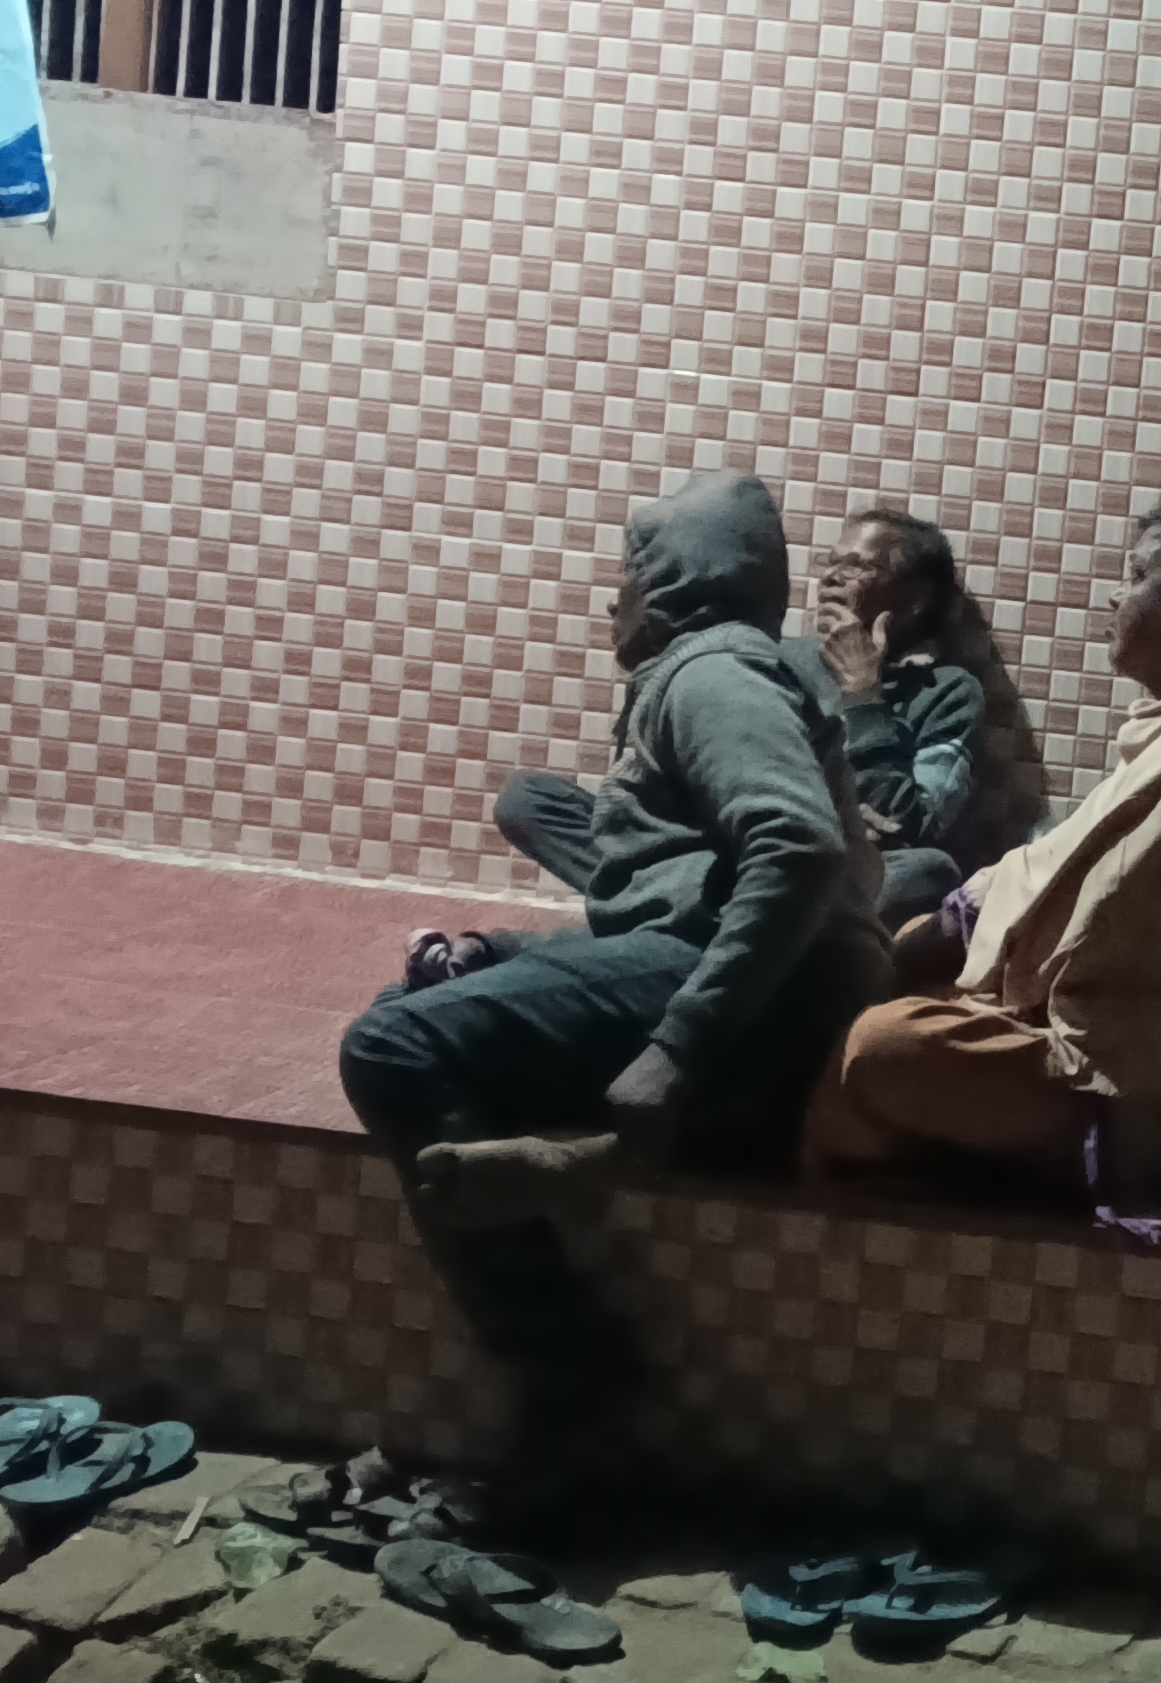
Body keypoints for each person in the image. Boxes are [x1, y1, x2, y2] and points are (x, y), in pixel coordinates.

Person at [340, 475, 889, 1437]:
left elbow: (798, 846)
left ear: (672, 582)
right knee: (429, 1007)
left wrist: (676, 1049)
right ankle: (624, 1149)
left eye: (628, 574)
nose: (612, 600)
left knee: (392, 1047)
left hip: (779, 999)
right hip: (768, 978)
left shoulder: (712, 675)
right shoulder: (715, 668)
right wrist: (504, 950)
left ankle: (578, 1394)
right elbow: (677, 893)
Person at [801, 504, 1161, 1203]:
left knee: (885, 1044)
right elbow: (1063, 883)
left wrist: (919, 941)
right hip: (1145, 1057)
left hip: (1156, 1088)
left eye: (1137, 577)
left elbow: (1059, 904)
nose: (1117, 597)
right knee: (892, 1004)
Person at [805, 507, 1050, 921]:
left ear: (914, 600)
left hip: (857, 880)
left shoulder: (946, 692)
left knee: (930, 870)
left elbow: (909, 828)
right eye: (830, 563)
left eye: (857, 566)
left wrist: (862, 694)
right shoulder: (787, 663)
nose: (830, 578)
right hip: (789, 851)